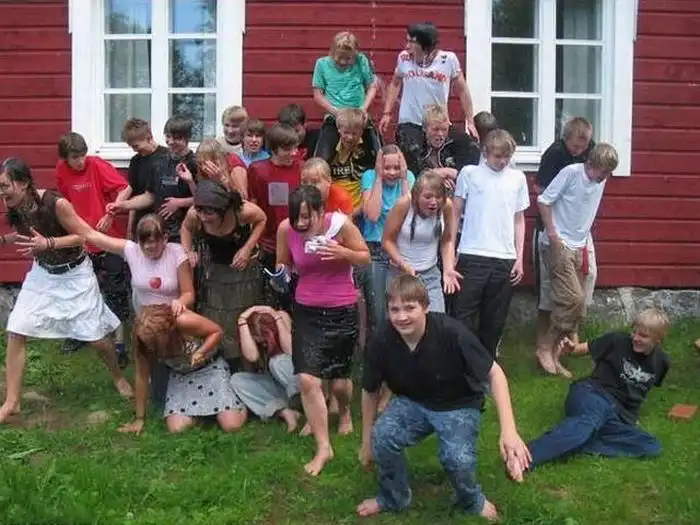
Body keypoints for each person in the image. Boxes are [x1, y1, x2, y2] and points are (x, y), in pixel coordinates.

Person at [356, 275, 530, 521]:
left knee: (457, 459)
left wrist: (509, 430)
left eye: (409, 308)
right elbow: (370, 390)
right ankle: (392, 497)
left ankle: (471, 500)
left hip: (457, 404)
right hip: (413, 402)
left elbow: (495, 374)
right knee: (382, 437)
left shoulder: (451, 332)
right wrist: (366, 441)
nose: (402, 317)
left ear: (425, 307)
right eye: (395, 309)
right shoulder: (381, 340)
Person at [0, 158, 133, 424]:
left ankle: (118, 376)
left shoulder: (55, 203)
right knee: (17, 328)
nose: (2, 192)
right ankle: (12, 402)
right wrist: (5, 240)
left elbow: (82, 236)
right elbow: (26, 233)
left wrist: (49, 243)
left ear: (23, 183)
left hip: (75, 274)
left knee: (96, 338)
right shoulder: (13, 205)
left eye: (5, 185)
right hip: (43, 274)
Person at [508, 308, 670, 482]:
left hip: (619, 415)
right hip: (593, 394)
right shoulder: (617, 340)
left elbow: (640, 392)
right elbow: (580, 349)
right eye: (634, 332)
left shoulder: (662, 362)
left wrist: (630, 417)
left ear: (657, 340)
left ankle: (576, 441)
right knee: (587, 423)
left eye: (643, 336)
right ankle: (523, 458)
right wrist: (571, 348)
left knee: (651, 446)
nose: (636, 338)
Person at [276, 185, 370, 476]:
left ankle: (344, 411)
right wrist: (280, 274)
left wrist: (342, 252)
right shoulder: (286, 229)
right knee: (307, 378)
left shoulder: (340, 225)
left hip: (342, 309)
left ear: (320, 211)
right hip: (307, 310)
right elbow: (283, 262)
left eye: (307, 217)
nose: (301, 223)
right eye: (296, 217)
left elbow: (365, 257)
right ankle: (323, 447)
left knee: (340, 383)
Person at [78, 213, 195, 406]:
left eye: (154, 242)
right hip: (146, 324)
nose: (148, 247)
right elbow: (92, 235)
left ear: (165, 238)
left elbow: (189, 293)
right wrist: (65, 215)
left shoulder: (177, 253)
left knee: (179, 376)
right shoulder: (131, 251)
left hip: (173, 320)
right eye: (144, 243)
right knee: (158, 396)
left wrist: (181, 302)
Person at [537, 143, 618, 377]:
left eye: (609, 173)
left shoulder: (600, 180)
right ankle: (544, 347)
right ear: (591, 163)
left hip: (580, 245)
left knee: (579, 304)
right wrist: (553, 235)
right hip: (559, 243)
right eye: (603, 172)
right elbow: (544, 201)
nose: (605, 177)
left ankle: (557, 354)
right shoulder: (571, 173)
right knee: (572, 298)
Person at [452, 129, 530, 357]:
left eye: (507, 157)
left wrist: (519, 258)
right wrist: (454, 249)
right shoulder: (469, 174)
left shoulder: (517, 178)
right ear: (485, 153)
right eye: (498, 156)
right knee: (463, 315)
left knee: (494, 320)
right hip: (472, 253)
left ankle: (486, 365)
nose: (503, 161)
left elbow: (519, 220)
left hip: (504, 257)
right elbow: (455, 213)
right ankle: (461, 363)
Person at [54, 132, 130, 362]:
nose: (80, 161)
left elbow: (124, 188)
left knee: (116, 290)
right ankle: (80, 334)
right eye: (75, 157)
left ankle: (119, 343)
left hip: (108, 237)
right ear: (65, 158)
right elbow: (64, 203)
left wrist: (111, 212)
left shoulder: (96, 165)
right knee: (81, 290)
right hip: (81, 240)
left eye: (82, 155)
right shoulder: (61, 171)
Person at [122, 303, 247, 434]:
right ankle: (205, 411)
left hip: (210, 368)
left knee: (232, 425)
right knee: (177, 429)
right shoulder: (143, 342)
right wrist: (139, 419)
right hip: (182, 376)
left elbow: (217, 331)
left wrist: (201, 351)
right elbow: (141, 376)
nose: (153, 347)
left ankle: (235, 405)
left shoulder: (183, 321)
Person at [180, 180, 266, 361]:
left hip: (243, 270)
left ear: (223, 209)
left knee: (242, 311)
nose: (204, 217)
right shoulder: (195, 214)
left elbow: (262, 219)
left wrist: (247, 248)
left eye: (209, 213)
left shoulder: (242, 212)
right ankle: (218, 353)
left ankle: (247, 356)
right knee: (216, 311)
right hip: (214, 269)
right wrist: (188, 252)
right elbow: (186, 229)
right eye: (201, 211)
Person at [534, 117, 595, 368]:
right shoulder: (555, 154)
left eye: (584, 146)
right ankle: (544, 342)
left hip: (579, 230)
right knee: (551, 288)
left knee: (588, 276)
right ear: (566, 138)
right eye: (576, 147)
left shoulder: (593, 155)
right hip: (555, 228)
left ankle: (570, 331)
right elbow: (540, 190)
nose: (580, 151)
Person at [379, 23, 476, 176]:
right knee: (412, 152)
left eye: (412, 42)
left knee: (470, 147)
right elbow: (395, 83)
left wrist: (470, 121)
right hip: (411, 123)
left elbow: (462, 89)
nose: (407, 46)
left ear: (426, 45)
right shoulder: (404, 58)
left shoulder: (448, 60)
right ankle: (432, 178)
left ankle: (453, 178)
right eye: (407, 41)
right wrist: (387, 113)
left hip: (438, 123)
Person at [382, 171, 459, 313]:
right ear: (416, 196)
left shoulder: (446, 206)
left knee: (436, 319)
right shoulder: (404, 204)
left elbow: (447, 240)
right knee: (404, 320)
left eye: (438, 197)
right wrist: (403, 264)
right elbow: (387, 241)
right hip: (401, 273)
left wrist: (448, 268)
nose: (434, 202)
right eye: (428, 197)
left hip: (430, 274)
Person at [247, 123, 303, 308]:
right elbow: (253, 204)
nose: (293, 153)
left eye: (295, 147)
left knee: (297, 296)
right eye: (287, 149)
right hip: (269, 242)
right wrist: (255, 239)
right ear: (274, 149)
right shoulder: (258, 170)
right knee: (273, 296)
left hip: (297, 240)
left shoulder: (301, 168)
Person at [360, 145, 415, 328]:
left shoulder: (408, 177)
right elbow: (373, 215)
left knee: (400, 306)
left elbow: (409, 215)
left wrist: (404, 178)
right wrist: (378, 177)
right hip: (375, 249)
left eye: (396, 168)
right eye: (387, 168)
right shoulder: (370, 176)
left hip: (399, 250)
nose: (392, 173)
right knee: (378, 312)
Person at [230, 305, 302, 432]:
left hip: (301, 384)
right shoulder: (247, 329)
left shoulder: (282, 317)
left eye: (265, 339)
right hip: (281, 389)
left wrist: (277, 318)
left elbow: (290, 350)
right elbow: (252, 356)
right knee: (237, 380)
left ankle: (304, 405)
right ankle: (285, 412)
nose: (264, 343)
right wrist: (242, 321)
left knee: (277, 362)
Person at [312, 31, 381, 162]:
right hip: (335, 116)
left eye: (349, 58)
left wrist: (363, 109)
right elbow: (318, 95)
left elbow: (372, 86)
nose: (343, 61)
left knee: (377, 155)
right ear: (332, 52)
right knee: (322, 158)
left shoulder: (361, 60)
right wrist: (337, 113)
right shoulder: (322, 64)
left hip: (359, 115)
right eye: (339, 58)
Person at [109, 118, 170, 240]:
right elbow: (134, 193)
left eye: (136, 146)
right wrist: (130, 230)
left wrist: (121, 205)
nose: (134, 150)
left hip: (163, 220)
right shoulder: (136, 161)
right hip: (142, 222)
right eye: (131, 146)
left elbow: (151, 197)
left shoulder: (166, 157)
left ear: (149, 137)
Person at [327, 108, 378, 217]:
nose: (350, 137)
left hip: (359, 208)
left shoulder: (367, 149)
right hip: (334, 210)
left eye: (354, 133)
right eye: (346, 132)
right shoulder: (330, 149)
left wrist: (357, 211)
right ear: (338, 129)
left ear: (361, 131)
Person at [416, 104, 479, 191]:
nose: (440, 134)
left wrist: (449, 172)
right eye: (435, 129)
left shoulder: (458, 143)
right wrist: (436, 178)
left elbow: (473, 175)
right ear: (425, 128)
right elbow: (413, 175)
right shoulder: (417, 146)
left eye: (444, 129)